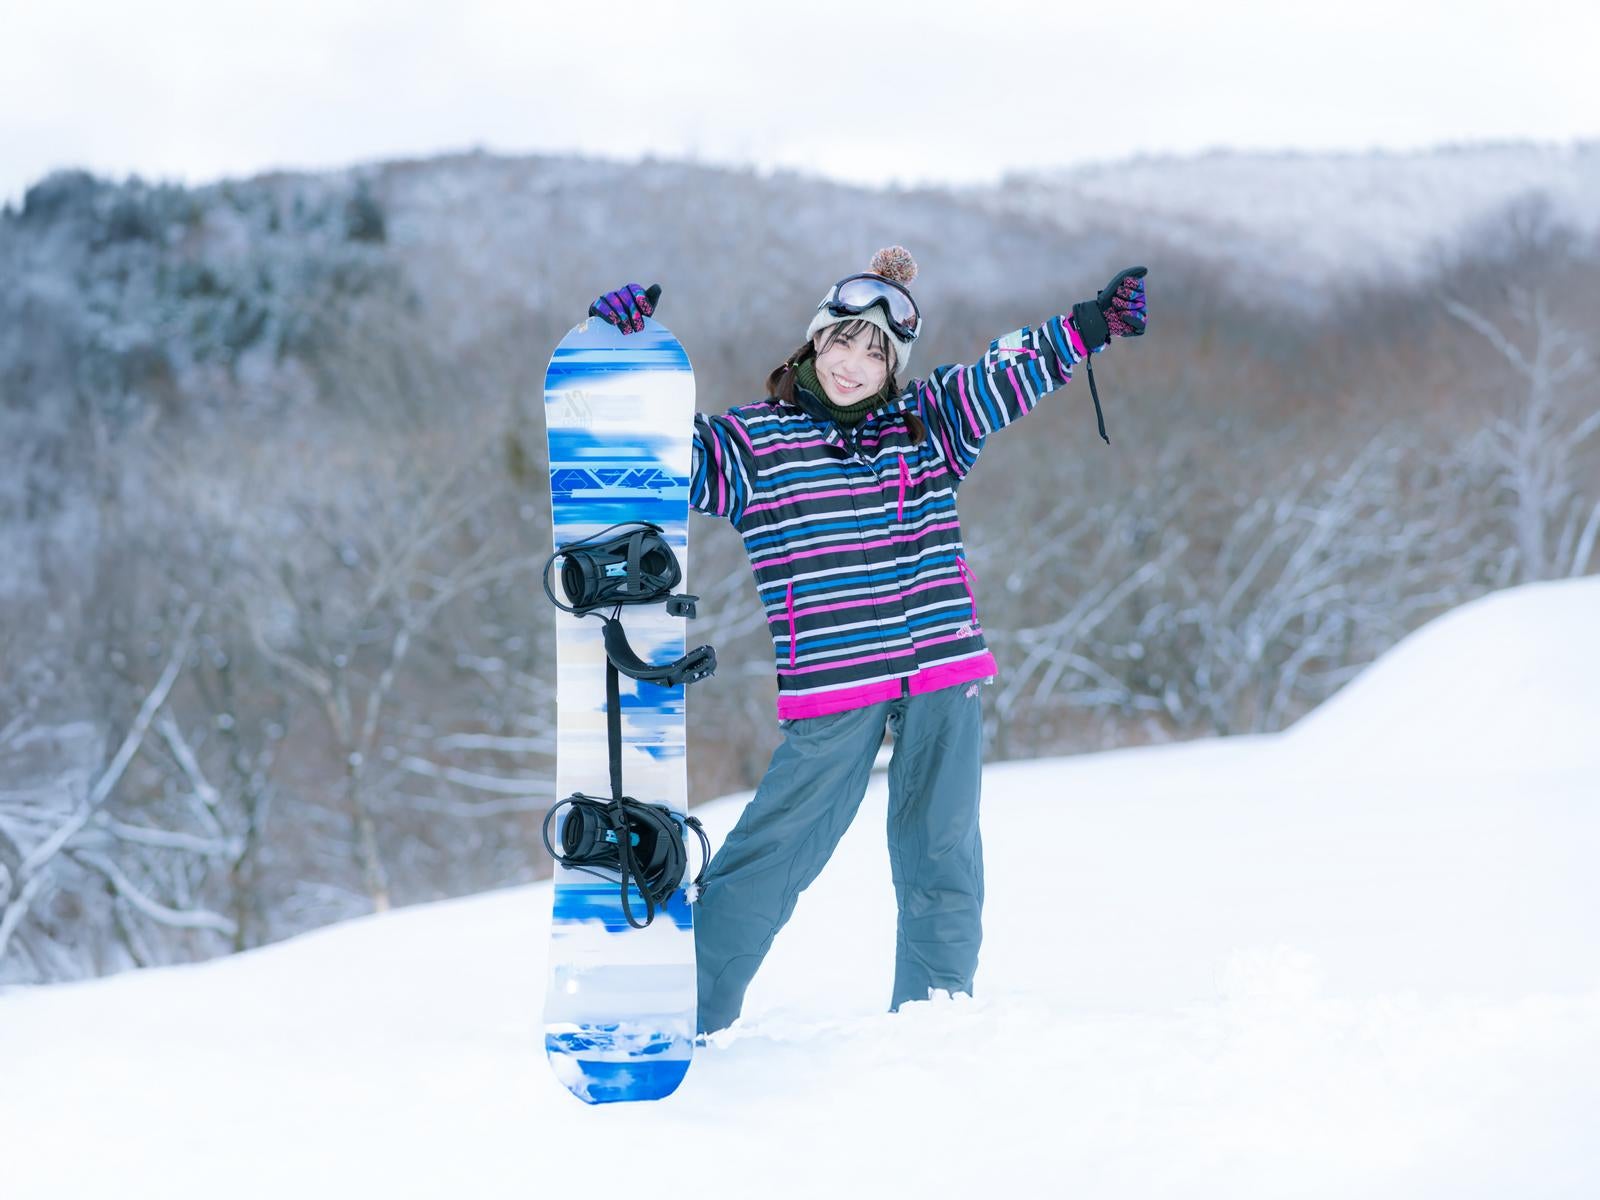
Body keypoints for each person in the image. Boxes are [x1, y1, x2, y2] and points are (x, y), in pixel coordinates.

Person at [589, 248, 1148, 1035]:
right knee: (770, 859)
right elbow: (659, 462)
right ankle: (685, 1016)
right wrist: (616, 362)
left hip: (944, 669)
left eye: (876, 354)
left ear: (895, 369)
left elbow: (1004, 374)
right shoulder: (754, 445)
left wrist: (1091, 325)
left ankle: (934, 1024)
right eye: (843, 341)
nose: (854, 365)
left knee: (944, 859)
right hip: (834, 683)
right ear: (815, 342)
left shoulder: (931, 425)